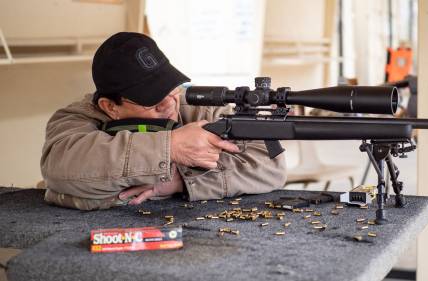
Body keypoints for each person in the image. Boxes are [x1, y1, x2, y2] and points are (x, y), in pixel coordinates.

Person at [40, 32, 286, 210]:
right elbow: (62, 174)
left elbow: (270, 168)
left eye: (171, 89)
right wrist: (172, 147)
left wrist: (180, 182)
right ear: (110, 107)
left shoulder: (199, 108)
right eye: (151, 99)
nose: (169, 105)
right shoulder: (76, 118)